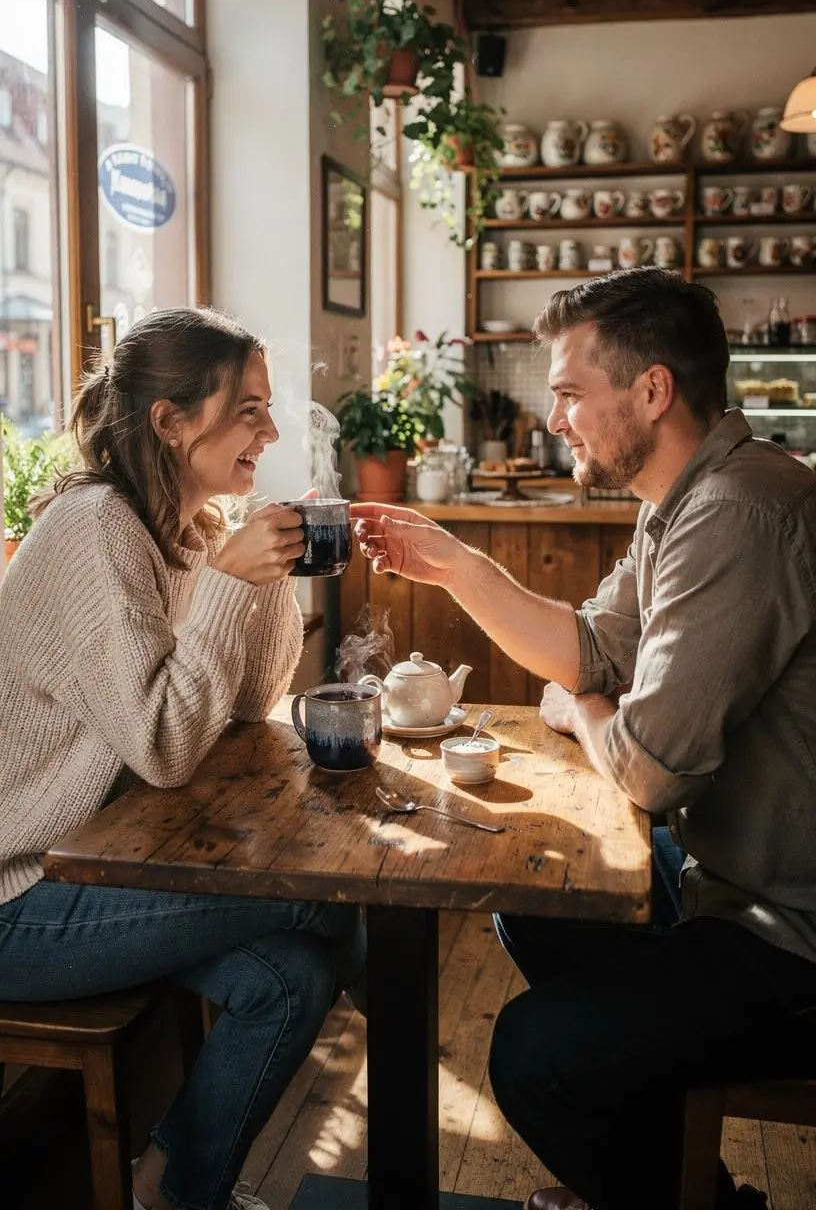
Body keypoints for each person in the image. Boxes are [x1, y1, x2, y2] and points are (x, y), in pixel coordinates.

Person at [352, 267, 816, 1210]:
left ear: (652, 390)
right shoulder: (681, 499)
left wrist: (590, 712)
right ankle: (676, 1187)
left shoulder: (738, 510)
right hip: (731, 885)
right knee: (540, 904)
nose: (554, 417)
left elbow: (647, 767)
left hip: (794, 935)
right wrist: (453, 565)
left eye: (569, 393)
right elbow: (595, 648)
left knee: (534, 1055)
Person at [0, 307, 365, 1210]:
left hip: (113, 864)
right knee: (328, 895)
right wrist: (230, 585)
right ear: (170, 420)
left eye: (267, 410)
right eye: (248, 410)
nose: (271, 431)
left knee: (302, 972)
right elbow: (167, 747)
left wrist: (260, 577)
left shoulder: (188, 530)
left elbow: (239, 718)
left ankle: (168, 1188)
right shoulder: (96, 530)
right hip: (21, 894)